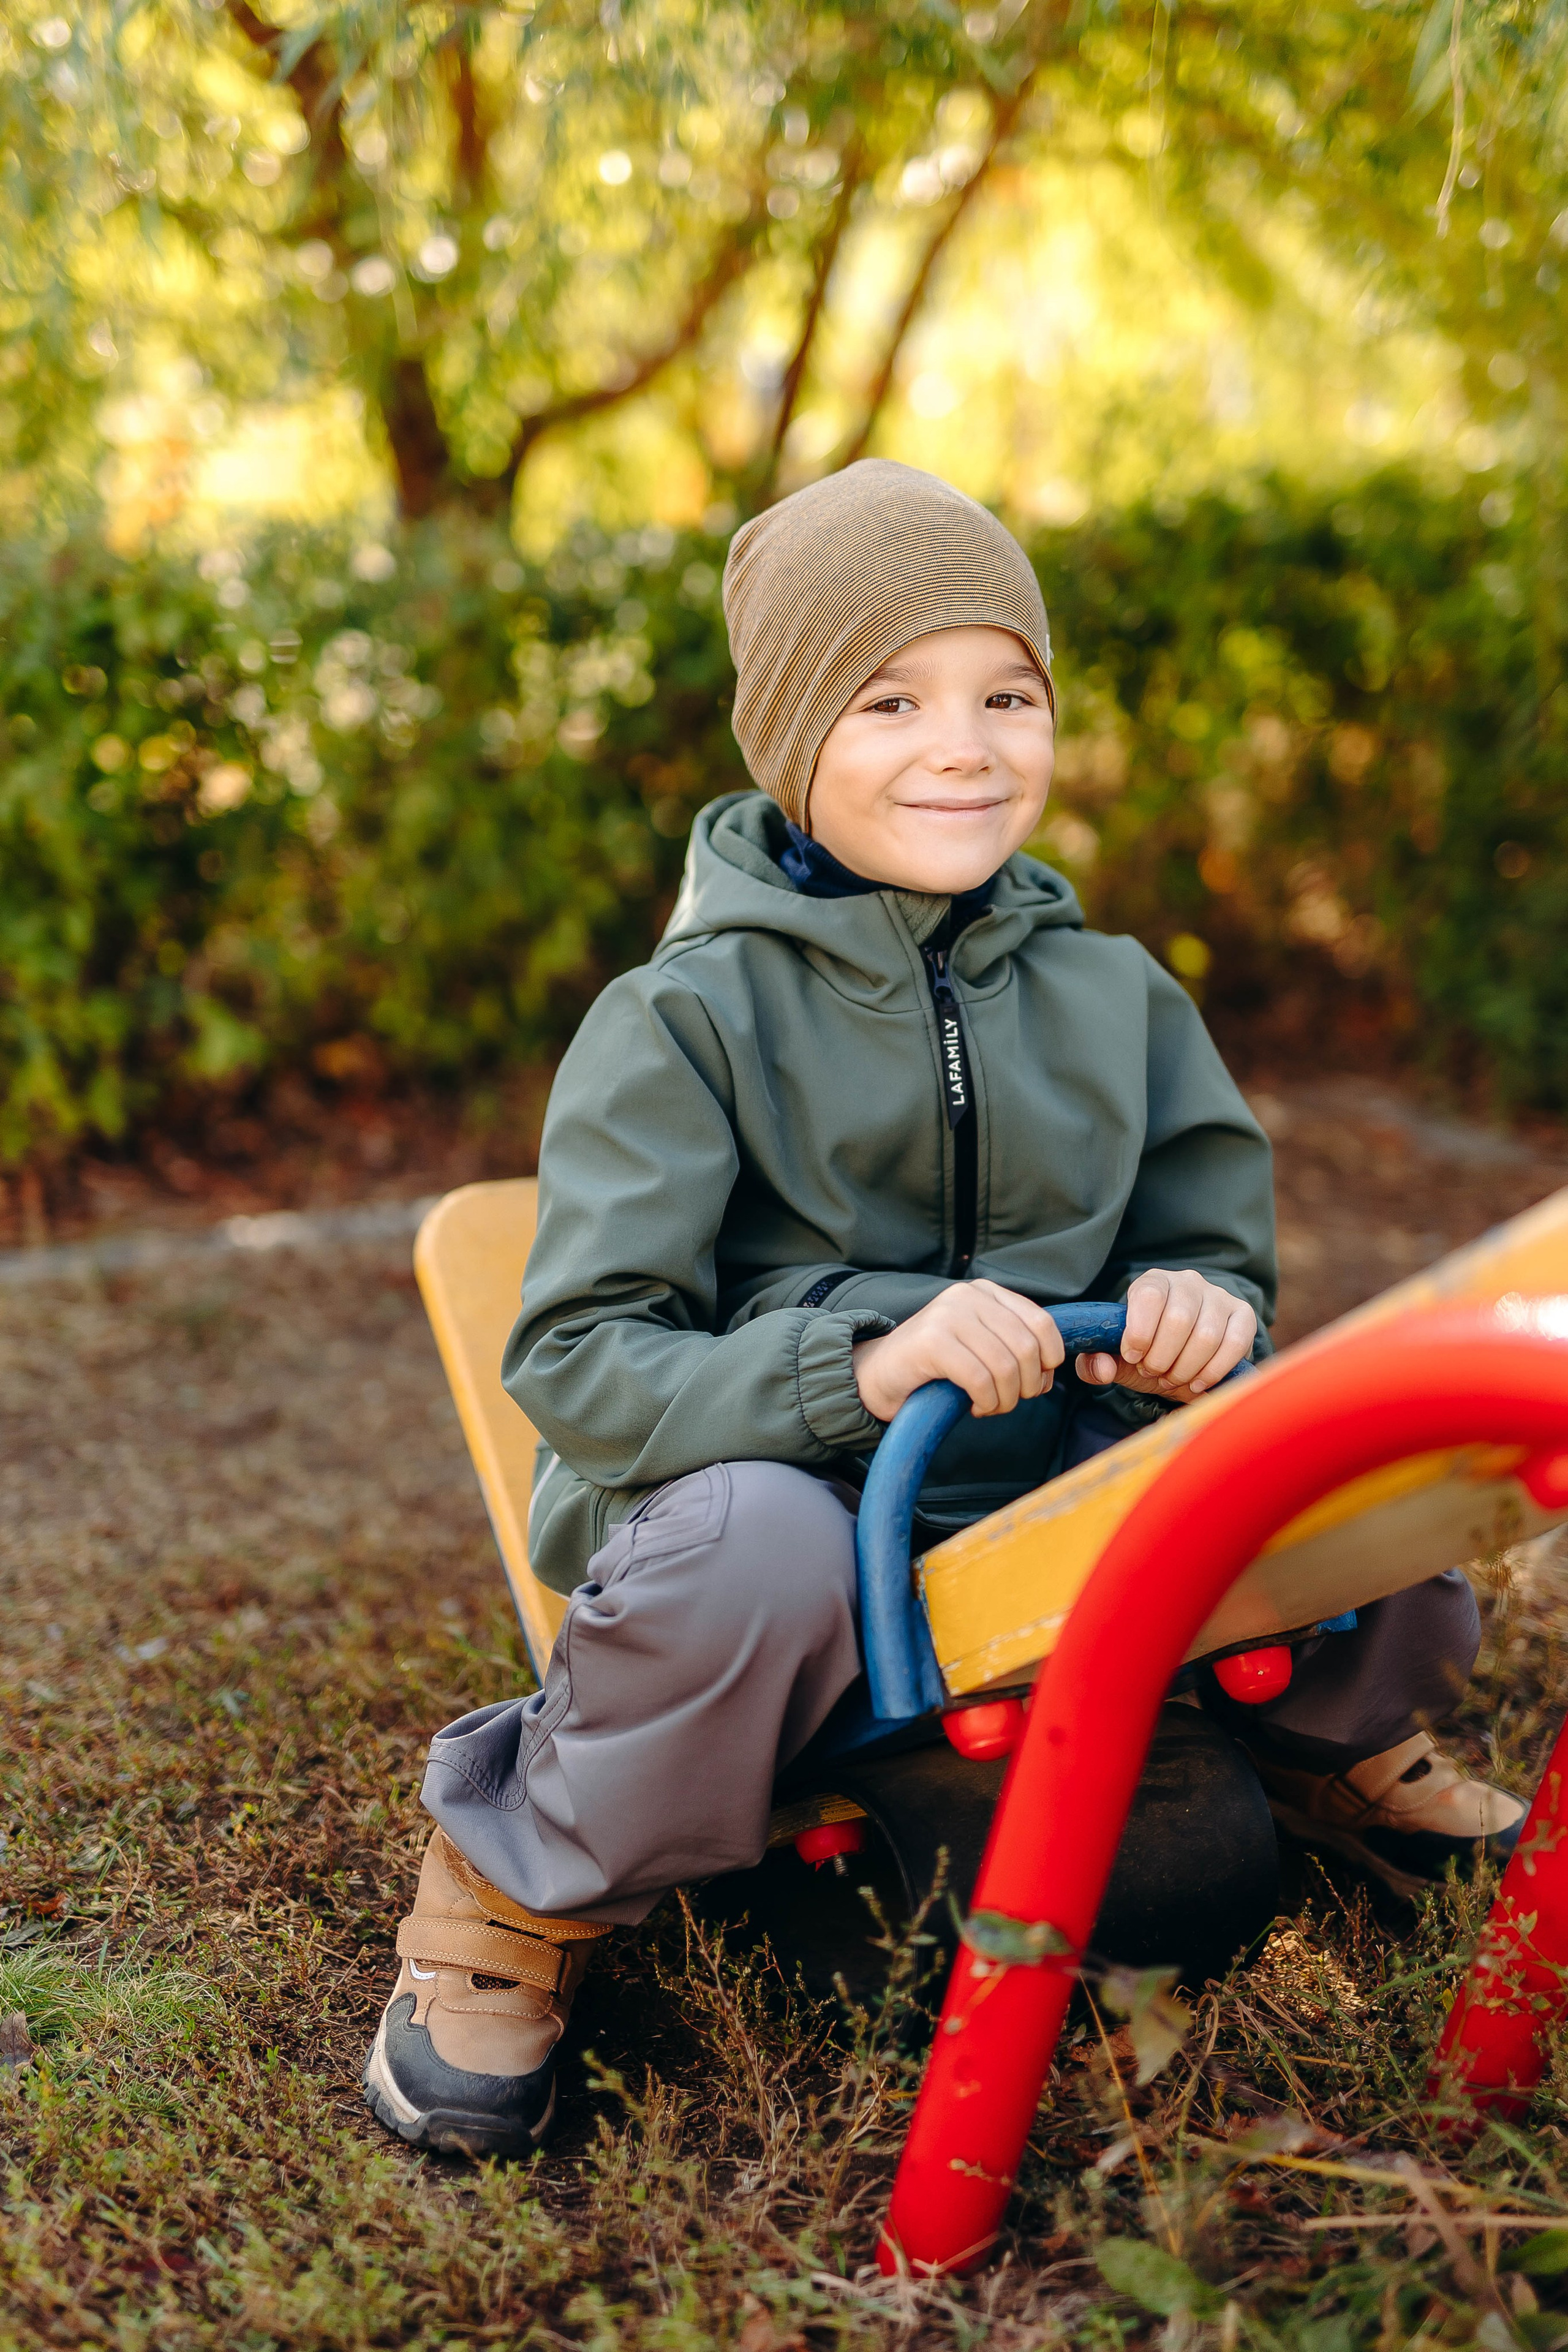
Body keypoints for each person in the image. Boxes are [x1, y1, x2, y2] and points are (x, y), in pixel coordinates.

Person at [362, 461, 1525, 2158]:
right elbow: (583, 1361)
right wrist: (868, 1363)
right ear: (790, 739)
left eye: (1009, 695)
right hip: (797, 1515)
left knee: (1337, 1424)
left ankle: (1326, 1739)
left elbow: (1214, 1256)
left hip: (1045, 1507)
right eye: (891, 700)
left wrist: (1191, 1317)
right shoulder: (683, 1020)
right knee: (755, 1549)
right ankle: (509, 1885)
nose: (964, 746)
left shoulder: (1118, 998)